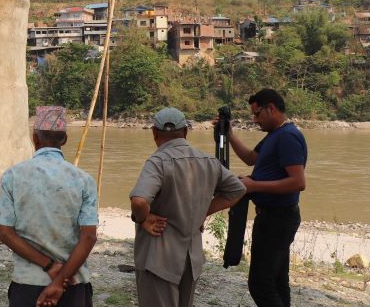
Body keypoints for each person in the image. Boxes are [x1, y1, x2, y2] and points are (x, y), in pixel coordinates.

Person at [129, 107, 246, 307]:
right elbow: (238, 190)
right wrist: (204, 212)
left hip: (159, 257)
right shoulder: (209, 161)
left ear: (154, 133)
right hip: (191, 259)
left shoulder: (157, 162)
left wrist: (143, 218)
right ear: (185, 132)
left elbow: (139, 201)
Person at [0, 106, 98, 307]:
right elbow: (88, 236)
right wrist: (60, 281)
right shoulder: (84, 180)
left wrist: (49, 266)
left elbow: (6, 234)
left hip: (28, 283)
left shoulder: (12, 176)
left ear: (35, 138)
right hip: (72, 283)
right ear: (65, 139)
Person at [226, 89, 307, 307]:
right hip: (271, 217)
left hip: (278, 220)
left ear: (271, 108)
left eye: (257, 114)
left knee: (260, 284)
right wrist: (230, 134)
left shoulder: (288, 137)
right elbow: (251, 158)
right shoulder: (275, 135)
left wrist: (254, 185)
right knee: (278, 281)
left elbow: (298, 182)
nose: (255, 120)